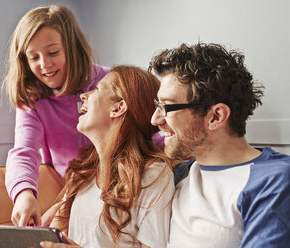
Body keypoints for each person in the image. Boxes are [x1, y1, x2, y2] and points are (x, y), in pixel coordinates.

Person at [148, 43, 290, 247]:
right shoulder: (179, 174)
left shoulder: (274, 181)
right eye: (157, 105)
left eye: (166, 107)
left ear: (216, 116)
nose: (155, 119)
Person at [43, 65, 175, 247]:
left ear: (118, 108)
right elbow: (49, 239)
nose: (83, 96)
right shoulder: (83, 173)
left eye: (97, 89)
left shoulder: (153, 175)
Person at [3, 5, 111, 227]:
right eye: (34, 57)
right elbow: (24, 152)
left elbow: (147, 134)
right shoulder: (33, 101)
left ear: (72, 48)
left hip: (117, 183)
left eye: (53, 53)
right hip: (77, 191)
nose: (45, 65)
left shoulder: (109, 81)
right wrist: (24, 194)